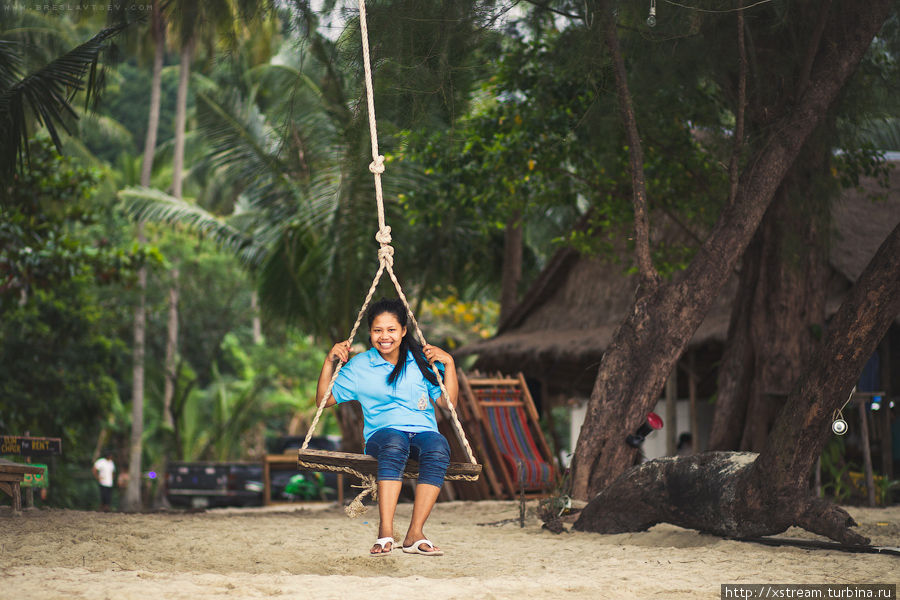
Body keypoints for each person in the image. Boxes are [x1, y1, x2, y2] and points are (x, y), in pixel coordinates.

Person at [316, 297, 458, 556]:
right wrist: (329, 362)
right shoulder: (360, 366)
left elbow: (448, 403)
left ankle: (415, 534)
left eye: (391, 330)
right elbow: (324, 400)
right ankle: (385, 531)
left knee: (439, 445)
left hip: (423, 434)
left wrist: (449, 363)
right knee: (396, 441)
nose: (385, 337)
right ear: (370, 333)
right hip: (383, 437)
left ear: (404, 331)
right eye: (378, 330)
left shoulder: (421, 360)